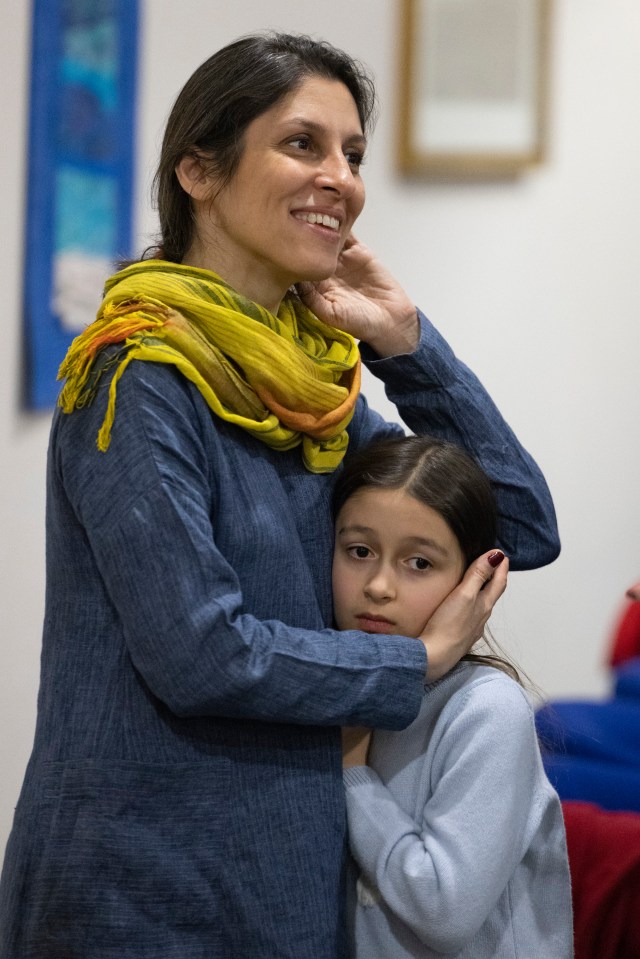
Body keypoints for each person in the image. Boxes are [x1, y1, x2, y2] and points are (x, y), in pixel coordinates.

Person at [0, 32, 559, 959]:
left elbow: (517, 525)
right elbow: (203, 653)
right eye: (303, 143)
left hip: (286, 885)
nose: (338, 175)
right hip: (139, 894)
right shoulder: (135, 376)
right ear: (198, 171)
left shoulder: (315, 392)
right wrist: (408, 666)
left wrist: (406, 343)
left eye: (352, 154)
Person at [335, 435, 572, 958]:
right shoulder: (328, 687)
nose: (377, 585)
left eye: (419, 563)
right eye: (359, 551)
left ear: (473, 581)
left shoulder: (486, 709)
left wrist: (353, 771)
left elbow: (444, 910)